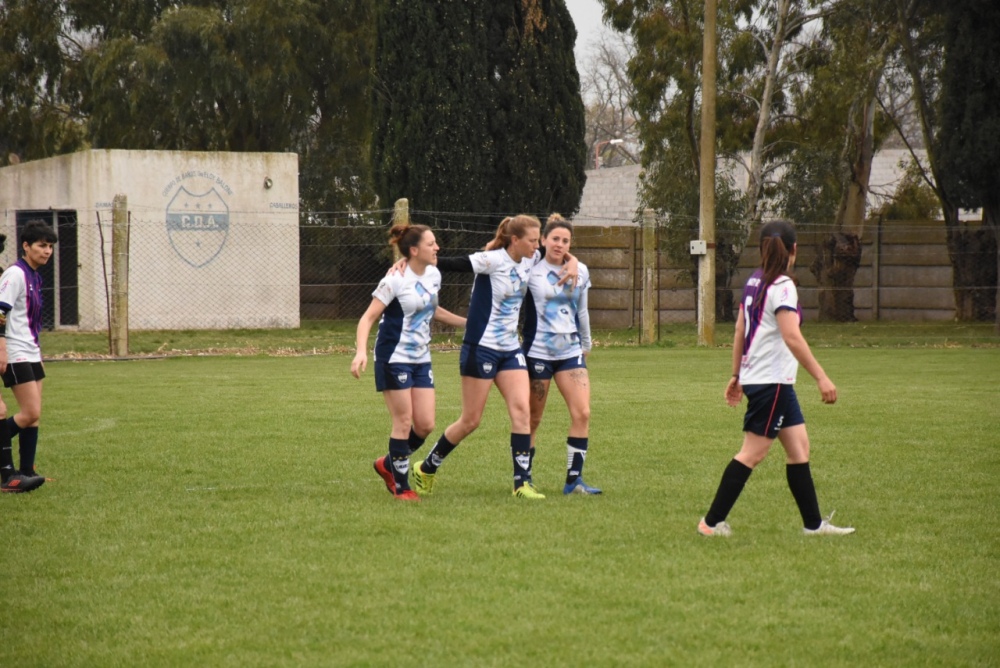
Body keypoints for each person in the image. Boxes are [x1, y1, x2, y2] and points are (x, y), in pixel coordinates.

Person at [697, 219, 855, 537]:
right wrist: (822, 378)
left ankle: (813, 526)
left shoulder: (754, 281)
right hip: (772, 382)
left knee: (799, 450)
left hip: (771, 380)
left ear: (761, 248)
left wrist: (737, 374)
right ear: (794, 250)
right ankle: (710, 524)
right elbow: (791, 337)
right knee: (753, 452)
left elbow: (741, 329)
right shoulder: (783, 285)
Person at [411, 214, 576, 500]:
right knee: (470, 420)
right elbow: (457, 263)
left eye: (539, 240)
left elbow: (557, 253)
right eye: (533, 240)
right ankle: (426, 467)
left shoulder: (531, 257)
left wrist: (571, 261)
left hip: (510, 349)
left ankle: (521, 484)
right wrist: (421, 262)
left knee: (522, 411)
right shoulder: (493, 260)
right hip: (481, 348)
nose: (538, 246)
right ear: (515, 240)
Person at [352, 223, 466, 501]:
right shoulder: (394, 280)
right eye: (431, 244)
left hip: (421, 358)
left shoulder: (434, 275)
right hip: (393, 357)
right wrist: (361, 351)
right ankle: (402, 487)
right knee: (403, 421)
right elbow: (367, 318)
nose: (437, 247)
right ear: (414, 250)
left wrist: (469, 323)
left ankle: (388, 464)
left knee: (425, 424)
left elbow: (432, 308)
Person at [523, 214, 601, 495]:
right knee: (533, 419)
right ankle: (525, 479)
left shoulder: (580, 270)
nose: (559, 244)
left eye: (565, 240)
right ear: (543, 240)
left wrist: (587, 344)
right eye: (554, 238)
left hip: (571, 352)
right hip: (538, 353)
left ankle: (574, 481)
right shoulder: (531, 268)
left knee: (582, 412)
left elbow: (582, 309)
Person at [0, 220, 58, 494]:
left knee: (34, 417)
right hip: (15, 352)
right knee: (29, 412)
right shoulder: (15, 274)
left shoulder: (35, 275)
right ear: (26, 246)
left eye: (50, 246)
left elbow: (30, 320)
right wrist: (1, 347)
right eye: (41, 245)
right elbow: (0, 311)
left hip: (31, 352)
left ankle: (27, 471)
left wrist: (39, 353)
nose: (47, 251)